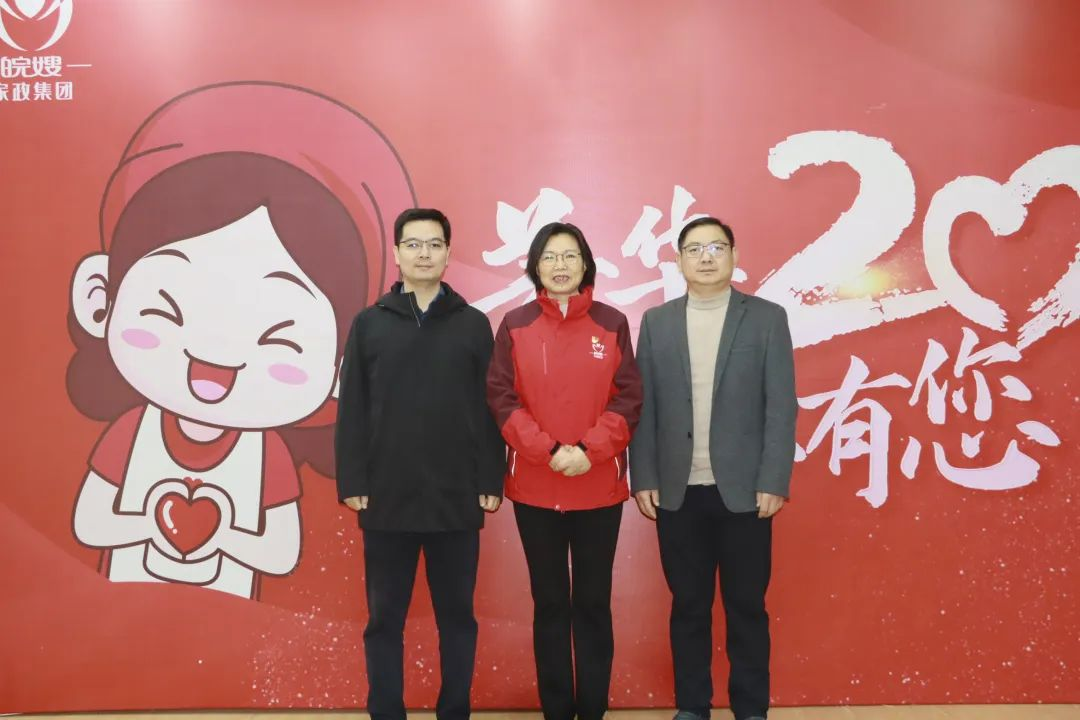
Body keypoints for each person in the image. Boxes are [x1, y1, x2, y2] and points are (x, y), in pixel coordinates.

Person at [67, 82, 414, 599]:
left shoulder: (264, 453)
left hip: (232, 621)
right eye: (169, 309)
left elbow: (280, 551)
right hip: (126, 611)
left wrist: (215, 534)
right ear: (100, 298)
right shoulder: (133, 434)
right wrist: (159, 527)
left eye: (279, 339)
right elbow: (90, 523)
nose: (217, 357)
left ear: (342, 367)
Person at [335, 208, 506, 720]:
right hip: (386, 495)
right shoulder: (369, 324)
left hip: (457, 496)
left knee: (458, 618)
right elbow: (353, 408)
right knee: (384, 619)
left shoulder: (473, 325)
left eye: (434, 244)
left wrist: (490, 477)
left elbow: (491, 408)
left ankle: (454, 710)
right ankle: (386, 710)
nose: (424, 253)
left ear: (448, 253)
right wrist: (353, 479)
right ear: (397, 253)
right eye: (413, 244)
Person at [629, 217, 797, 720]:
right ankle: (692, 707)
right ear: (679, 260)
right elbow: (643, 407)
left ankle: (751, 709)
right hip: (678, 490)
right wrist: (644, 476)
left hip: (745, 491)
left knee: (746, 607)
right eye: (694, 249)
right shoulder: (657, 322)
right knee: (688, 607)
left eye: (716, 247)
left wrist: (773, 479)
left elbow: (781, 405)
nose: (706, 257)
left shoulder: (766, 318)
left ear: (734, 256)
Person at [487, 222, 642, 720]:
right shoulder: (515, 324)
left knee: (593, 603)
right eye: (550, 256)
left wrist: (589, 451)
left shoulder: (612, 322)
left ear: (585, 264)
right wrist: (549, 450)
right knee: (550, 603)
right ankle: (556, 709)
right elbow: (501, 396)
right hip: (536, 487)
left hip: (598, 488)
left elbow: (628, 398)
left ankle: (593, 708)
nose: (560, 265)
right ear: (535, 265)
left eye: (570, 255)